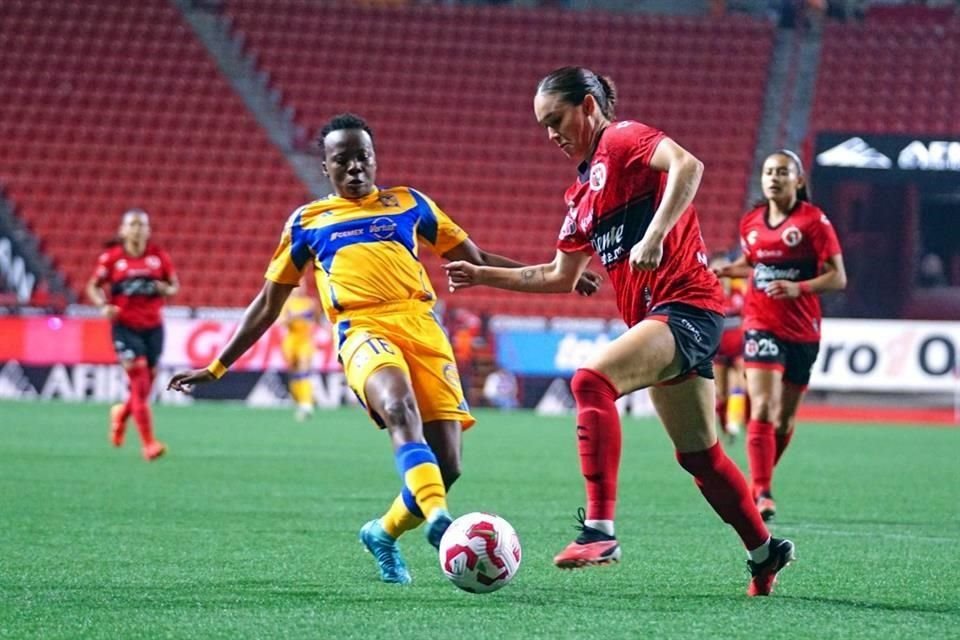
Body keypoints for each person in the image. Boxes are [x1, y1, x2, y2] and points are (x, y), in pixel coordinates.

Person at [167, 113, 601, 585]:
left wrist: (561, 276)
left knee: (449, 464)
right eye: (343, 160)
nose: (355, 168)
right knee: (397, 404)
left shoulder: (409, 203)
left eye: (363, 158)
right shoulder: (306, 223)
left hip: (423, 329)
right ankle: (439, 521)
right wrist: (217, 365)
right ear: (325, 167)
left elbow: (474, 260)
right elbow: (268, 303)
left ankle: (382, 532)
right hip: (362, 329)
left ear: (374, 159)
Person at [445, 67, 794, 596]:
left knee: (591, 381)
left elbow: (687, 165)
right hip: (661, 318)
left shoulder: (623, 139)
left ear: (588, 105)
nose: (551, 135)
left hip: (687, 306)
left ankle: (600, 530)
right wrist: (482, 274)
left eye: (556, 119)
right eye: (543, 126)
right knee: (699, 456)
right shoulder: (580, 196)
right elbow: (558, 274)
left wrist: (655, 235)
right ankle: (765, 553)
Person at [716, 149, 846, 522]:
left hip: (803, 329)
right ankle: (761, 492)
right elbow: (754, 263)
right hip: (759, 322)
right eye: (769, 172)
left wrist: (798, 288)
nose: (773, 178)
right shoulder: (751, 222)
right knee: (763, 407)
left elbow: (838, 277)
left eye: (782, 172)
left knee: (784, 421)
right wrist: (729, 271)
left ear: (798, 181)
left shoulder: (813, 221)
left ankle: (760, 480)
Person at [85, 208, 178, 461]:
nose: (137, 229)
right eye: (133, 225)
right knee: (139, 379)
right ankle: (149, 443)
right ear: (123, 230)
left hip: (153, 327)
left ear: (148, 230)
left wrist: (164, 289)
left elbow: (174, 286)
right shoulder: (112, 259)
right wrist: (104, 306)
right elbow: (93, 287)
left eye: (142, 225)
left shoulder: (158, 257)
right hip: (125, 327)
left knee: (145, 386)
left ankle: (121, 415)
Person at [710, 252, 748, 442]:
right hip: (718, 351)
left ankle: (734, 422)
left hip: (738, 348)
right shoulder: (710, 295)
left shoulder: (740, 291)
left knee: (740, 384)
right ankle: (725, 424)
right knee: (721, 393)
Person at [279, 279, 322, 421]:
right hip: (291, 342)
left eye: (302, 285)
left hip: (306, 340)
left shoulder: (310, 303)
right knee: (295, 373)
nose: (299, 288)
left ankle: (307, 404)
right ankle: (299, 401)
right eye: (297, 286)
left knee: (304, 369)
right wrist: (293, 317)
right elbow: (282, 322)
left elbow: (318, 319)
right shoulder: (287, 303)